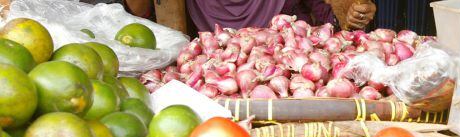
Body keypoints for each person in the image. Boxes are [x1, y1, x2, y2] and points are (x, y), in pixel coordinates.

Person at [125, 0, 376, 33]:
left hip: (290, 89)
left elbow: (331, 19)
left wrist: (352, 15)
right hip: (209, 92)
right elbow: (140, 12)